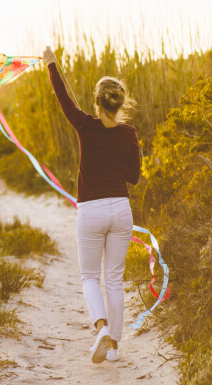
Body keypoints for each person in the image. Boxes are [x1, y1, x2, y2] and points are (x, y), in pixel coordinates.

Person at [43, 46, 141, 364]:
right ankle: (113, 346)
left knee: (89, 277)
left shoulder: (84, 125)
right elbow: (134, 178)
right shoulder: (130, 134)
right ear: (121, 102)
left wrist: (52, 64)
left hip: (91, 211)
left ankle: (100, 327)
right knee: (114, 279)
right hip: (121, 210)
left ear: (96, 101)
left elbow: (63, 100)